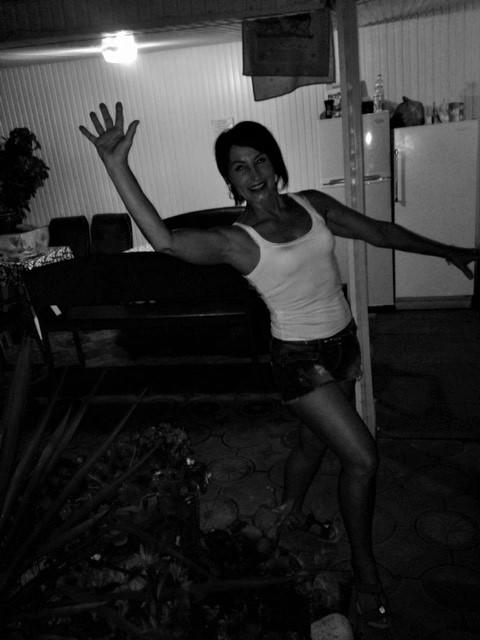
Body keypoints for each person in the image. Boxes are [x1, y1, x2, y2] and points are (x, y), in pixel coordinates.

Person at [80, 102, 479, 630]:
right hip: (299, 360)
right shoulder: (237, 239)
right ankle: (366, 573)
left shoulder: (313, 205)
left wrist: (447, 250)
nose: (254, 174)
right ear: (229, 180)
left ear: (275, 162)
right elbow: (167, 241)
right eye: (239, 167)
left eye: (260, 160)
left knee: (313, 444)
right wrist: (117, 167)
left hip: (343, 344)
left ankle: (286, 515)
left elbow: (380, 232)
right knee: (362, 458)